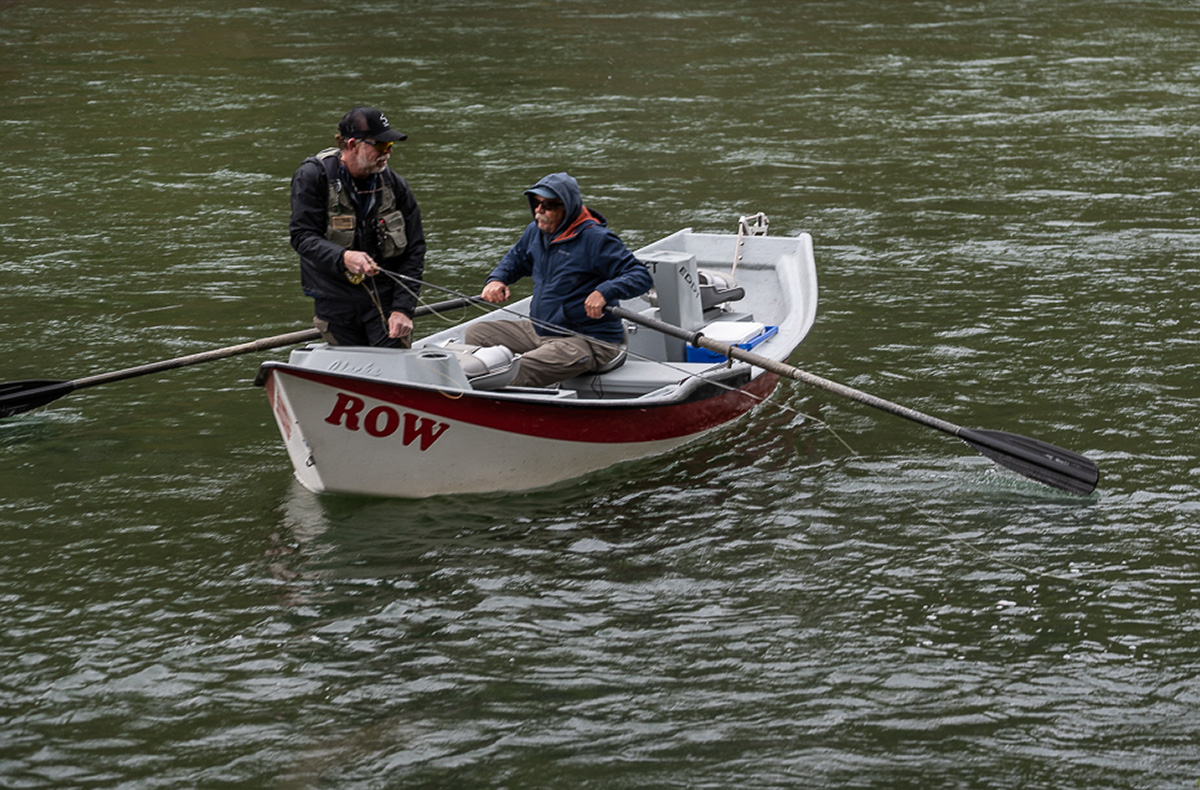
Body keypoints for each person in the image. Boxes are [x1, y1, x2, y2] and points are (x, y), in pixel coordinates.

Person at [465, 172, 653, 387]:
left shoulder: (597, 239)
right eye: (536, 203)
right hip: (542, 328)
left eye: (549, 205)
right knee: (476, 334)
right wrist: (497, 279)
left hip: (588, 340)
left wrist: (604, 292)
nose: (540, 210)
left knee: (519, 367)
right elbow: (516, 260)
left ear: (568, 208)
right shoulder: (535, 232)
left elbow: (640, 276)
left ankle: (490, 404)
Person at [289, 106, 426, 347]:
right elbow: (302, 237)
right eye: (381, 146)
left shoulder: (395, 186)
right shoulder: (312, 177)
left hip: (385, 304)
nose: (388, 154)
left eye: (391, 147)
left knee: (392, 373)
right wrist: (344, 257)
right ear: (352, 145)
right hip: (334, 303)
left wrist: (403, 309)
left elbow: (415, 250)